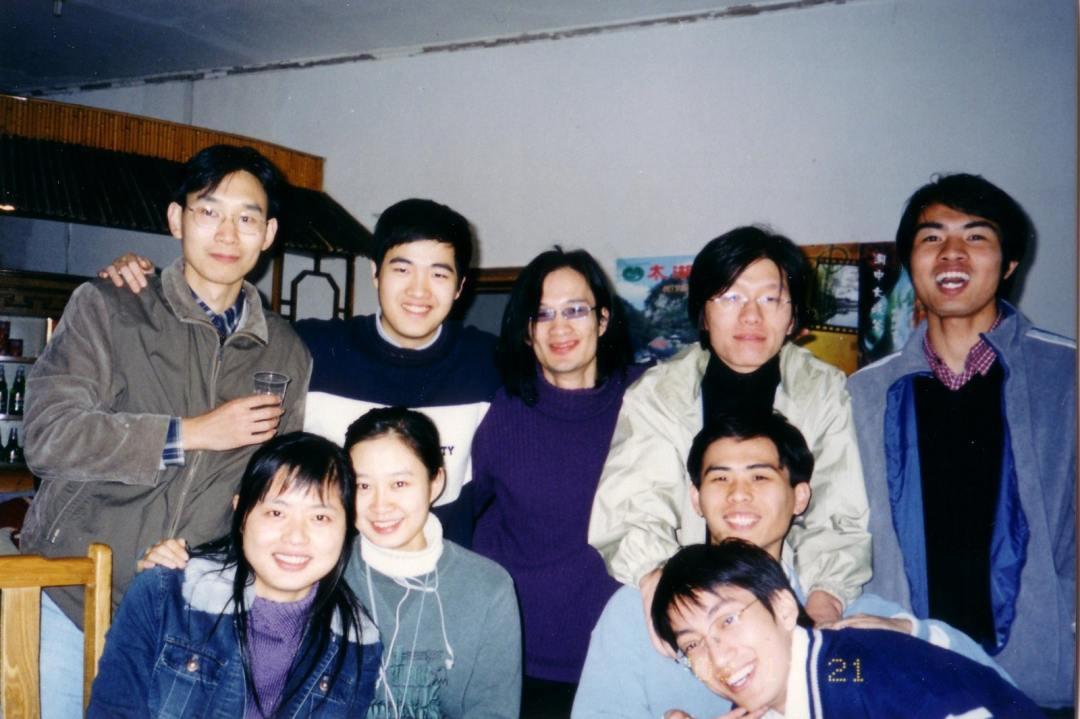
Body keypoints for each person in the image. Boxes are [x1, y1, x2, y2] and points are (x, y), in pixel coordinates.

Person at [24, 144, 311, 718]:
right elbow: (48, 436)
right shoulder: (111, 306)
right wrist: (191, 433)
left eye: (247, 217)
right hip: (73, 598)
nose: (227, 233)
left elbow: (271, 500)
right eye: (209, 211)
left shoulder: (286, 352)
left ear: (269, 234)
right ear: (177, 219)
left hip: (186, 622)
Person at [101, 198, 499, 549]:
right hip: (320, 579)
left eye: (439, 274)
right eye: (402, 269)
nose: (419, 290)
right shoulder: (310, 347)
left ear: (460, 286)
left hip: (436, 581)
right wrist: (149, 287)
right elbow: (211, 346)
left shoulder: (489, 364)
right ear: (376, 273)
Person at [572, 411, 1010, 719]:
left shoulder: (843, 620)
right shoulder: (636, 614)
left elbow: (991, 688)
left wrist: (907, 633)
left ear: (800, 497)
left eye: (760, 476)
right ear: (696, 499)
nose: (738, 494)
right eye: (719, 478)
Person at [848, 173, 1075, 712]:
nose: (952, 252)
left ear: (1010, 263)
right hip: (910, 689)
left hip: (1043, 687)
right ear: (910, 263)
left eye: (976, 236)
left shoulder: (1065, 375)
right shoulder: (861, 394)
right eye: (932, 237)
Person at [589, 226, 869, 630]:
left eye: (770, 298)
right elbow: (634, 509)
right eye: (731, 297)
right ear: (703, 313)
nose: (751, 315)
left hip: (793, 594)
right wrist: (674, 598)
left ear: (793, 316)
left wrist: (822, 608)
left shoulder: (822, 390)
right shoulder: (659, 393)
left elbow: (837, 512)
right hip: (686, 593)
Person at [87, 432, 381, 718]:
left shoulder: (358, 644)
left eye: (320, 517)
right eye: (276, 513)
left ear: (347, 527)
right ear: (241, 514)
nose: (295, 537)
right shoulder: (164, 595)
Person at [471, 248, 643, 716]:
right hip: (522, 658)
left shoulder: (647, 398)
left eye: (574, 310)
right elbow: (463, 516)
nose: (559, 327)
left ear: (602, 320)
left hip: (626, 649)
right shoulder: (502, 412)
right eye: (542, 314)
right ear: (527, 331)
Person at [651, 541, 1044, 719]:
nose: (718, 657)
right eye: (693, 645)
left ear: (783, 608)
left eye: (728, 620)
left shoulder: (854, 671)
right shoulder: (790, 690)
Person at [344, 406, 522, 719]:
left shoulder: (488, 587)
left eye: (399, 484)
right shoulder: (324, 573)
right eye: (363, 485)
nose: (380, 505)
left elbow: (493, 711)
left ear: (435, 483)